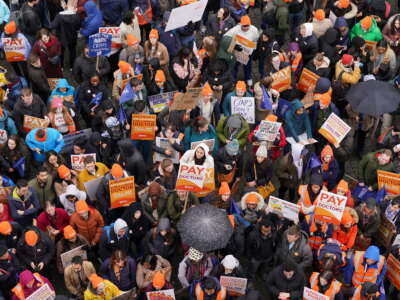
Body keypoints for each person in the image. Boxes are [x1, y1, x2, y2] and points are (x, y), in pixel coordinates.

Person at [224, 15, 260, 86]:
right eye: (244, 26)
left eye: (247, 26)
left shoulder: (254, 30)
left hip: (248, 52)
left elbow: (256, 39)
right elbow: (225, 37)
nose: (246, 27)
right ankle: (233, 79)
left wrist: (254, 49)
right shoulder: (235, 30)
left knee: (248, 66)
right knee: (234, 66)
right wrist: (234, 45)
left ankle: (248, 77)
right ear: (240, 24)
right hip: (237, 52)